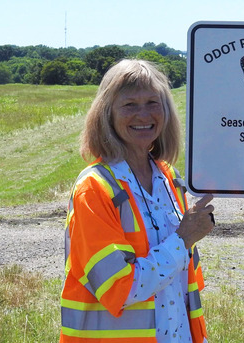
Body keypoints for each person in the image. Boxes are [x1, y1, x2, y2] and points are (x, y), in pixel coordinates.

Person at [60, 59, 215, 343]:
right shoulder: (94, 189)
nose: (143, 114)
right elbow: (120, 289)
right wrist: (183, 239)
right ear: (106, 115)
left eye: (153, 103)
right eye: (129, 105)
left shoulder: (169, 179)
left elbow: (183, 285)